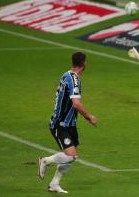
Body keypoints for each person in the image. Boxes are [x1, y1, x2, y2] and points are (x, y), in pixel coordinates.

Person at [38, 51, 98, 194]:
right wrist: (89, 117)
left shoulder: (66, 74)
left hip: (70, 123)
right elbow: (76, 104)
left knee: (72, 157)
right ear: (84, 63)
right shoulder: (74, 80)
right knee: (70, 155)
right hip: (61, 123)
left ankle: (54, 184)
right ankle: (45, 161)